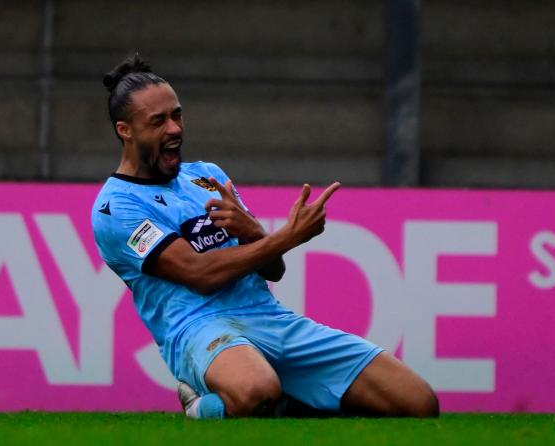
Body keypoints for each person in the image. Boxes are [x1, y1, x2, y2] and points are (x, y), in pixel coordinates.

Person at [91, 51, 439, 419]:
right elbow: (200, 274)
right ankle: (201, 407)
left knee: (417, 403)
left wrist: (255, 232)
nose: (174, 129)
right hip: (198, 330)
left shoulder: (205, 175)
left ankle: (288, 404)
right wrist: (287, 236)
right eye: (158, 121)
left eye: (177, 115)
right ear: (125, 130)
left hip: (268, 317)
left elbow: (273, 269)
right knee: (257, 392)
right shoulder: (115, 207)